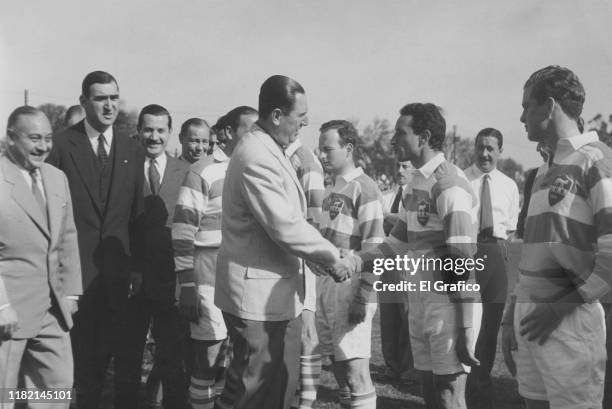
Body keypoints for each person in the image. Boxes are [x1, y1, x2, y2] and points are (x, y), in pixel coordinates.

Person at [213, 75, 354, 409]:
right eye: (299, 117)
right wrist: (333, 257)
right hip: (257, 299)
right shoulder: (256, 155)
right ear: (276, 115)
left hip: (276, 295)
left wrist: (324, 254)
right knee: (250, 392)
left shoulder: (268, 148)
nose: (303, 124)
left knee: (277, 390)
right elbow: (285, 224)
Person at [342, 103, 482, 409]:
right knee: (430, 390)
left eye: (400, 133)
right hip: (419, 299)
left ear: (424, 137)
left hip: (447, 306)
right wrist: (355, 261)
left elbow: (462, 262)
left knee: (449, 394)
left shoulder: (449, 184)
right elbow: (396, 243)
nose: (393, 140)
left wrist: (466, 327)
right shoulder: (416, 182)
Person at [502, 65, 611, 409]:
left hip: (570, 322)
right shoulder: (543, 171)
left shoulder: (597, 161)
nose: (521, 116)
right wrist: (511, 316)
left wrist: (559, 308)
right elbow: (533, 255)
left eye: (526, 106)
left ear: (549, 106)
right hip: (530, 319)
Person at [46, 70, 145, 409]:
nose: (108, 105)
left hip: (117, 278)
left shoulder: (132, 148)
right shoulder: (60, 145)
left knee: (117, 366)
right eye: (100, 98)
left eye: (114, 98)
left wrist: (136, 269)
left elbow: (136, 217)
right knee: (76, 367)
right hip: (74, 279)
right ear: (84, 102)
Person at [172, 106, 257, 409]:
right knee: (208, 358)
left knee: (234, 359)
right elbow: (182, 233)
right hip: (206, 277)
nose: (258, 136)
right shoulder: (203, 171)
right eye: (252, 129)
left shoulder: (255, 168)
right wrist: (186, 285)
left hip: (243, 279)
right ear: (228, 133)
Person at [0, 106, 82, 409]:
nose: (44, 146)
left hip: (53, 309)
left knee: (57, 388)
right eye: (35, 138)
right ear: (11, 138)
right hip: (8, 313)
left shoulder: (57, 178)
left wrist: (71, 292)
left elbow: (68, 237)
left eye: (48, 138)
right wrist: (2, 305)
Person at [113, 104, 189, 409]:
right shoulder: (123, 168)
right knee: (128, 355)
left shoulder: (186, 172)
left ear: (170, 133)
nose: (154, 136)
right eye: (148, 130)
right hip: (132, 279)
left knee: (172, 357)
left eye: (160, 130)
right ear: (138, 131)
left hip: (171, 279)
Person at [316, 119, 384, 409]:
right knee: (341, 371)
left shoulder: (365, 188)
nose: (321, 155)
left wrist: (364, 294)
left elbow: (376, 247)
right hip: (327, 285)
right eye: (320, 149)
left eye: (327, 149)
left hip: (352, 287)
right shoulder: (330, 186)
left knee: (356, 374)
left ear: (349, 148)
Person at [463, 128, 519, 409]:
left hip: (495, 253)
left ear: (500, 151)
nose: (485, 153)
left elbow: (509, 228)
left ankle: (481, 385)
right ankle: (461, 383)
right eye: (481, 147)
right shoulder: (461, 180)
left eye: (491, 148)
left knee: (490, 325)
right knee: (466, 323)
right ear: (475, 148)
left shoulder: (509, 185)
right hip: (467, 251)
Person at [286, 130, 326, 409]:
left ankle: (307, 404)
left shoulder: (306, 161)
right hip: (281, 259)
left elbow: (314, 218)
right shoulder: (277, 154)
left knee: (307, 332)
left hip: (303, 259)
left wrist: (310, 256)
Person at [379, 160, 415, 383]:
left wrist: (390, 218)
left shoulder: (416, 196)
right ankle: (391, 365)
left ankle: (409, 367)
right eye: (398, 166)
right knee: (388, 315)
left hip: (409, 261)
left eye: (405, 166)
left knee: (407, 313)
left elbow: (408, 225)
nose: (400, 170)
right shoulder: (386, 197)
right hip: (387, 261)